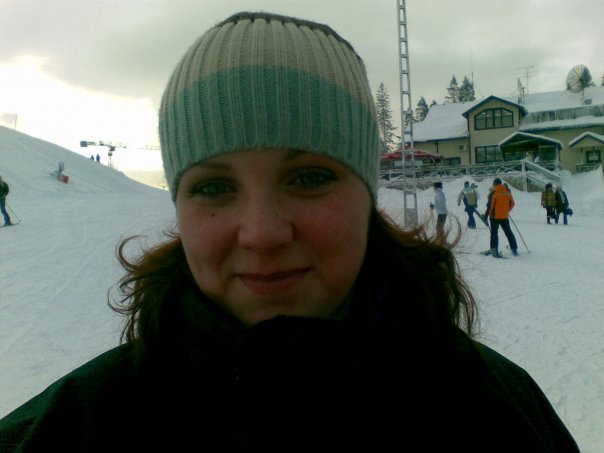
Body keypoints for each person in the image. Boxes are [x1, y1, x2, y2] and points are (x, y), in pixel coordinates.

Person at [0, 12, 578, 452]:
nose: (262, 234)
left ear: (367, 193)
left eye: (309, 178)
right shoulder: (72, 430)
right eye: (213, 187)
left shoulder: (499, 416)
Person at [487, 177, 519, 257]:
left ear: (495, 184)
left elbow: (491, 206)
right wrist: (507, 211)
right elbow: (512, 203)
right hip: (504, 216)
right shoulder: (507, 192)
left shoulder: (494, 193)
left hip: (494, 217)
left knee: (494, 233)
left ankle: (494, 249)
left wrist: (488, 215)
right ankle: (514, 248)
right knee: (508, 232)